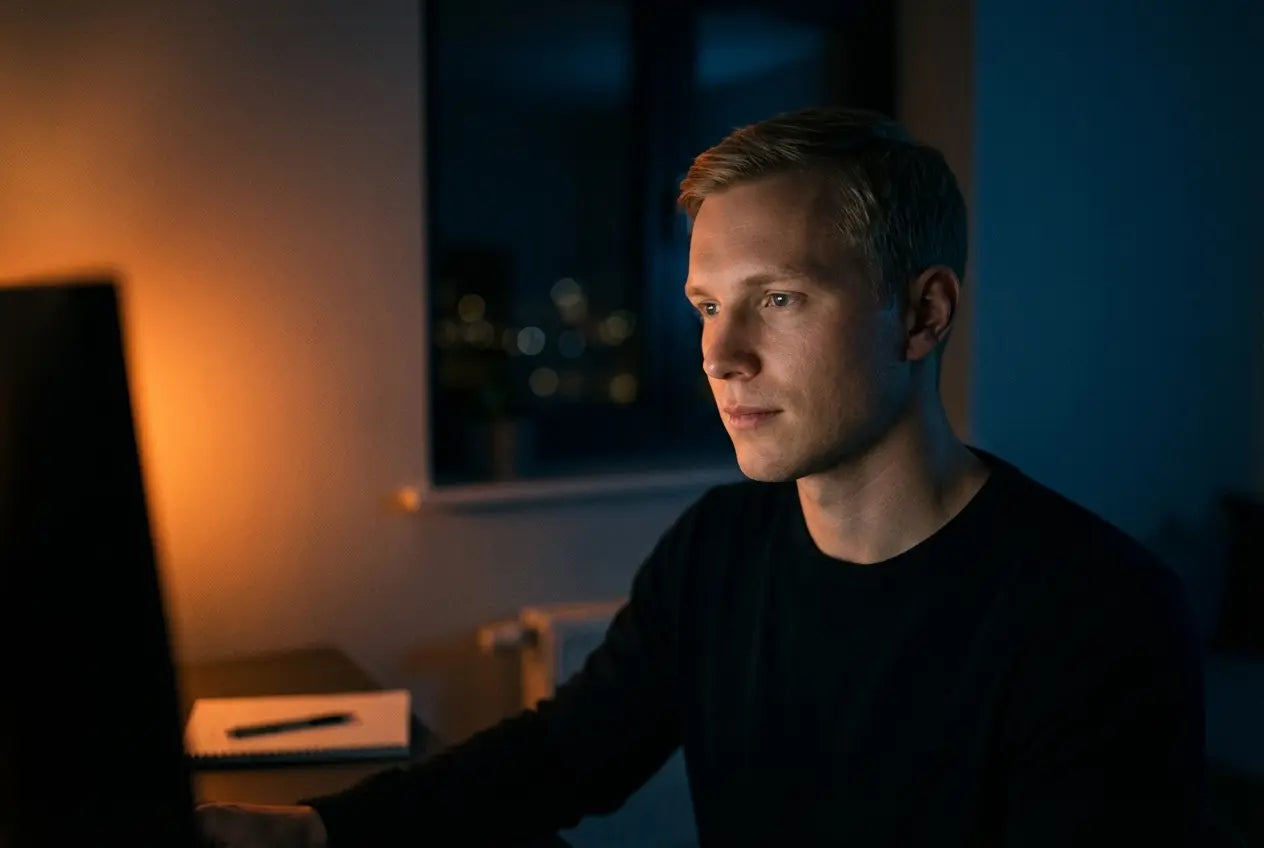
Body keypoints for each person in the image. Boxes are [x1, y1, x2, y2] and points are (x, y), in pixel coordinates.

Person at [196, 107, 1209, 847]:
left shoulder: (1098, 613)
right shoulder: (717, 547)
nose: (717, 353)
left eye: (775, 298)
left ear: (921, 314)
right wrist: (309, 831)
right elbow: (561, 757)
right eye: (703, 304)